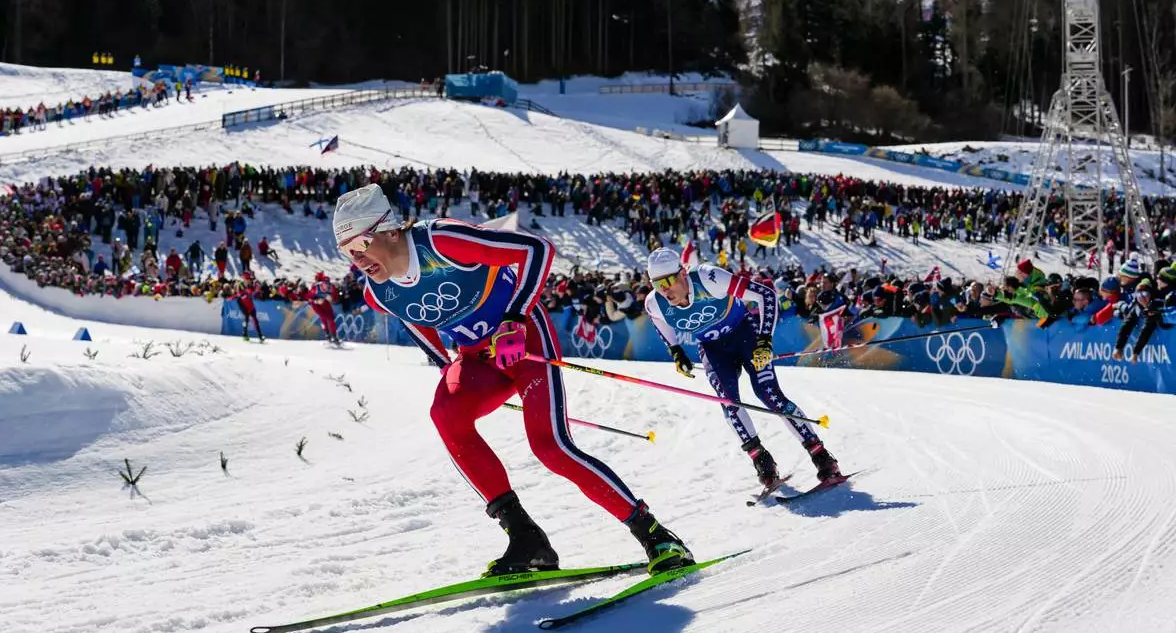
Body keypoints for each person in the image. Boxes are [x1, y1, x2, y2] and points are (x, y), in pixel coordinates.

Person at [333, 183, 693, 577]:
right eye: (346, 252)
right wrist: (444, 365)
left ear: (388, 230)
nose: (357, 259)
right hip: (479, 359)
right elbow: (415, 319)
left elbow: (537, 251)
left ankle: (655, 534)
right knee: (446, 413)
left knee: (550, 448)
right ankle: (526, 539)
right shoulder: (378, 292)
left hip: (525, 343)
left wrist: (515, 317)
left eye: (360, 244)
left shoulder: (441, 241)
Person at [641, 247, 841, 490]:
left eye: (669, 280)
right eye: (656, 283)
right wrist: (676, 351)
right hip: (714, 350)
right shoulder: (655, 302)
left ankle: (821, 455)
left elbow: (765, 295)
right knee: (730, 405)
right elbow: (659, 322)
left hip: (745, 336)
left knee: (769, 394)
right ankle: (763, 462)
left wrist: (765, 340)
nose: (664, 289)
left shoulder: (709, 278)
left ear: (683, 273)